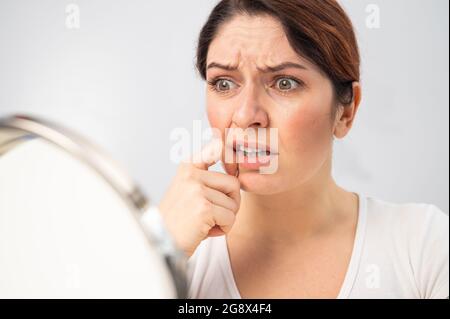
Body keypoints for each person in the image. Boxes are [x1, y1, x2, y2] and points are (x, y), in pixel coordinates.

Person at [156, 0, 449, 298]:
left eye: (285, 83)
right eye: (224, 83)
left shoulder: (424, 245)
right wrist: (156, 254)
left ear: (346, 111)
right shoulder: (173, 251)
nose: (245, 115)